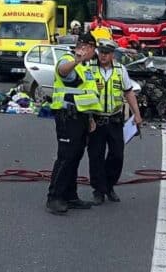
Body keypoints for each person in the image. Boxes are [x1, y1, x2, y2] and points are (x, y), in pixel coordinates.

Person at [45, 33, 103, 215]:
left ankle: (70, 195)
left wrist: (91, 117)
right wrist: (76, 60)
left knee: (75, 156)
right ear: (86, 47)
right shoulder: (68, 59)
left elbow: (87, 93)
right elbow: (62, 71)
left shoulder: (87, 67)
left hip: (81, 117)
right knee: (66, 156)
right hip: (67, 116)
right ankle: (54, 197)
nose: (94, 53)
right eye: (93, 49)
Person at [87, 38, 143, 204]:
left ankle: (109, 185)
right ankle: (99, 190)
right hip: (96, 120)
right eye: (101, 52)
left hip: (115, 120)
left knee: (117, 155)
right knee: (95, 156)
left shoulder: (120, 70)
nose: (103, 56)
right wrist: (88, 117)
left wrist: (137, 114)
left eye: (107, 53)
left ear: (113, 54)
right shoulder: (90, 68)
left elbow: (128, 92)